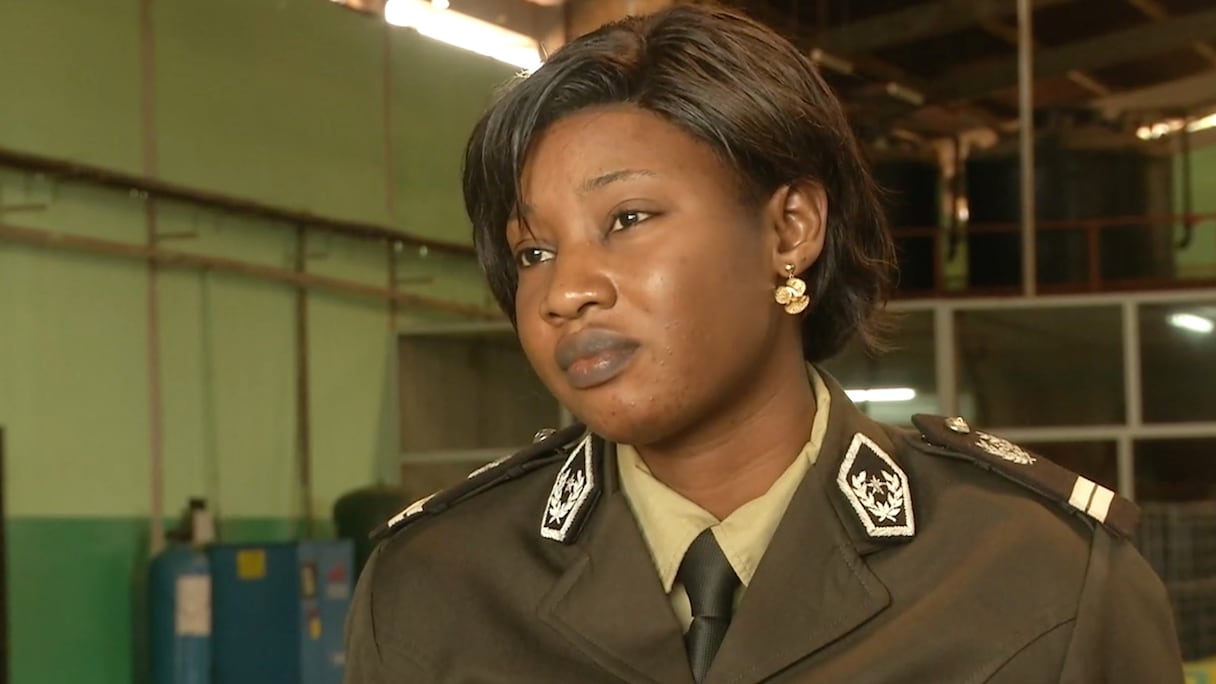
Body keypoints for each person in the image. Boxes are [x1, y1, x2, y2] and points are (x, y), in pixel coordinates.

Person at [344, 4, 1184, 682]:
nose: (566, 292)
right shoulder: (436, 587)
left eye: (627, 218)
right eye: (533, 253)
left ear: (791, 229)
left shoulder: (1042, 577)